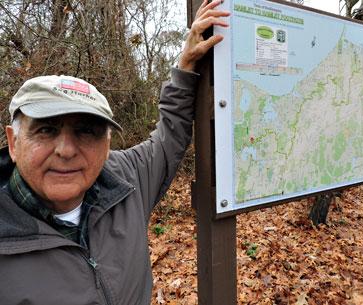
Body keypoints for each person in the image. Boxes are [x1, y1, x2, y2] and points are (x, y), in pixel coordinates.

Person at [0, 1, 229, 304]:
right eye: (46, 130)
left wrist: (185, 66)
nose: (66, 150)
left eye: (86, 131)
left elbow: (169, 138)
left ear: (107, 144)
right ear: (14, 142)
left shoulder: (125, 181)